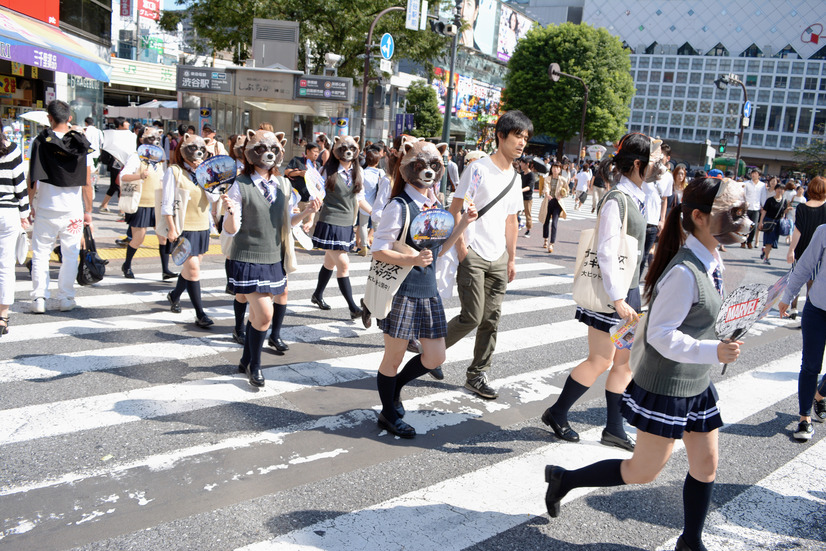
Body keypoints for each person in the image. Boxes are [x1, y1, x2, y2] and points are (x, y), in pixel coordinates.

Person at [544, 176, 747, 551]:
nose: (743, 221)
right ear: (700, 217)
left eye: (743, 212)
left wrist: (724, 334)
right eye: (733, 213)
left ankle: (690, 541)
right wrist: (713, 352)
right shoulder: (685, 271)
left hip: (697, 380)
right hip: (668, 383)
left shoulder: (712, 257)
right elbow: (661, 335)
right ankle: (564, 479)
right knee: (642, 471)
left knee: (706, 466)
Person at [541, 132, 654, 451]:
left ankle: (614, 428)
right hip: (611, 297)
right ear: (636, 164)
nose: (658, 167)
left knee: (623, 362)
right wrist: (618, 298)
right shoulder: (617, 199)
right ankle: (558, 412)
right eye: (652, 162)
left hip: (628, 294)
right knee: (601, 359)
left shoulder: (637, 196)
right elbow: (605, 250)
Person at [371, 141, 478, 438]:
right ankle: (388, 414)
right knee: (392, 359)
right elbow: (378, 250)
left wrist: (463, 224)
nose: (428, 171)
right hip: (402, 291)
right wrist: (411, 258)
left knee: (435, 358)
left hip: (427, 291)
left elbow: (439, 250)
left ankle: (396, 389)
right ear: (406, 171)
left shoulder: (435, 205)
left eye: (433, 165)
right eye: (420, 166)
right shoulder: (399, 206)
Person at [443, 110, 533, 399]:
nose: (522, 143)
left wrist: (511, 257)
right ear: (501, 136)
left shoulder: (515, 178)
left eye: (526, 138)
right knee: (471, 316)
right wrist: (461, 248)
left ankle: (477, 374)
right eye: (518, 136)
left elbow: (510, 221)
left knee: (491, 318)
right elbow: (455, 211)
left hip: (497, 257)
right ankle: (431, 348)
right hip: (474, 253)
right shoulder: (478, 169)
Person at [221, 130, 320, 386]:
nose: (268, 153)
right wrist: (229, 212)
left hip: (274, 258)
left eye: (274, 149)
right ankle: (255, 366)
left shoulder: (284, 184)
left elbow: (288, 222)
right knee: (264, 314)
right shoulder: (238, 185)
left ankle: (245, 360)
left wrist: (307, 212)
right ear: (249, 152)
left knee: (257, 316)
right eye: (262, 148)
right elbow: (231, 229)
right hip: (246, 256)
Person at [27, 100, 93, 314]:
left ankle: (39, 297)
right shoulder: (81, 143)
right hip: (72, 210)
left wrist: (29, 205)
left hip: (46, 207)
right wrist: (88, 211)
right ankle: (65, 297)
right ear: (70, 118)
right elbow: (88, 181)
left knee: (40, 253)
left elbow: (32, 179)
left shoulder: (39, 141)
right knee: (71, 253)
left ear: (49, 118)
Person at [310, 136, 372, 319]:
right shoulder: (326, 171)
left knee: (330, 262)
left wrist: (376, 213)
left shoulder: (357, 172)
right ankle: (353, 308)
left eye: (352, 148)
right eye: (344, 148)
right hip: (330, 221)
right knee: (343, 264)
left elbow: (360, 199)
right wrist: (309, 218)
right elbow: (317, 196)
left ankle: (317, 295)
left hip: (347, 224)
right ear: (336, 149)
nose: (348, 152)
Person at [162, 133, 218, 327]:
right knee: (193, 270)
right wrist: (171, 228)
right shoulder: (174, 171)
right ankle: (200, 314)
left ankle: (174, 295)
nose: (197, 153)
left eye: (201, 149)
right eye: (193, 148)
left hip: (202, 226)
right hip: (182, 227)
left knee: (190, 270)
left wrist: (205, 175)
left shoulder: (205, 172)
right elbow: (167, 202)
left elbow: (213, 198)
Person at [779, 223, 826, 441]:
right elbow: (805, 266)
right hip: (817, 309)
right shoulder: (824, 230)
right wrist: (788, 296)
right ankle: (804, 418)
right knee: (810, 365)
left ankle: (819, 394)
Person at [119, 127, 176, 280]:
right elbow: (123, 176)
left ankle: (165, 270)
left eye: (156, 139)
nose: (154, 142)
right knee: (139, 238)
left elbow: (163, 178)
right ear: (141, 140)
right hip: (140, 203)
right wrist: (139, 175)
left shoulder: (159, 159)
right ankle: (127, 265)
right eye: (150, 139)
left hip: (157, 203)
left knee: (162, 237)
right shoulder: (136, 157)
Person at [786, 176, 826, 318]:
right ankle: (810, 313)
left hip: (801, 248)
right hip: (820, 251)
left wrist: (791, 250)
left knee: (797, 278)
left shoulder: (802, 207)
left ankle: (793, 309)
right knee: (812, 283)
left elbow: (798, 231)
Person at [0, 131, 27, 334]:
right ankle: (3, 316)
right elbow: (20, 183)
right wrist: (24, 212)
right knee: (5, 265)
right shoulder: (11, 148)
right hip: (7, 213)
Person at [284, 142, 320, 228]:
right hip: (297, 201)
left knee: (307, 228)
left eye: (318, 152)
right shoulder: (297, 160)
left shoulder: (317, 165)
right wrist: (300, 173)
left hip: (310, 201)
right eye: (314, 151)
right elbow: (286, 172)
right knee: (294, 226)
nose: (316, 154)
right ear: (307, 151)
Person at [99, 117, 131, 213]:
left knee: (114, 185)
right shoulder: (114, 135)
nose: (128, 126)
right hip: (116, 163)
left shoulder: (127, 135)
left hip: (124, 162)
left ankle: (104, 204)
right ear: (120, 125)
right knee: (119, 185)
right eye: (126, 125)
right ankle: (122, 210)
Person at [357, 145, 383, 256]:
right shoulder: (380, 172)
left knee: (362, 224)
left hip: (364, 202)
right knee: (377, 225)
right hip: (377, 203)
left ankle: (363, 246)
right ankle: (379, 246)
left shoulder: (362, 172)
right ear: (377, 161)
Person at [758, 183, 790, 265]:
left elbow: (783, 213)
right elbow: (764, 212)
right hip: (769, 222)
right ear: (775, 190)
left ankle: (765, 251)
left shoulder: (784, 201)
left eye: (782, 189)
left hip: (777, 223)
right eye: (778, 188)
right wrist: (761, 222)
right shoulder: (770, 200)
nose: (780, 190)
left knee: (773, 242)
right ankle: (767, 258)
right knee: (768, 241)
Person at [541, 160, 568, 254]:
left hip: (557, 203)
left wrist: (562, 195)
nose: (555, 169)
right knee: (546, 221)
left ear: (560, 169)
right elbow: (546, 188)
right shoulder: (547, 178)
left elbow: (567, 191)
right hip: (548, 201)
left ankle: (551, 243)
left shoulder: (563, 179)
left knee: (554, 224)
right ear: (551, 169)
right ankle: (545, 239)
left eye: (557, 168)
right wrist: (547, 194)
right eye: (554, 167)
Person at [743, 168, 766, 249]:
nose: (753, 175)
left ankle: (749, 241)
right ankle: (743, 241)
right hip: (747, 207)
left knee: (754, 226)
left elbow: (763, 196)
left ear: (759, 175)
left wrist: (763, 206)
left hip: (756, 208)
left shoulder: (762, 185)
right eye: (752, 173)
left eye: (755, 173)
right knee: (745, 224)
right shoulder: (746, 183)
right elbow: (743, 194)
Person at [520, 156, 537, 237]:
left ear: (527, 164)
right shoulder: (521, 174)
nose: (520, 165)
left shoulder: (531, 175)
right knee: (514, 212)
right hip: (519, 197)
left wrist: (521, 190)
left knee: (528, 214)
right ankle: (519, 223)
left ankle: (528, 230)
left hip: (527, 198)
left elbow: (529, 187)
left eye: (522, 163)